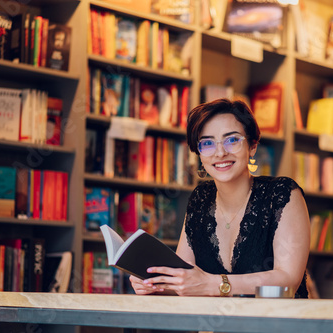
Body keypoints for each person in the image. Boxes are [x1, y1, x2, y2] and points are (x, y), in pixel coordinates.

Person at [130, 98, 310, 297]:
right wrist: (156, 284)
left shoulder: (283, 194)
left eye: (232, 140)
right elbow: (186, 282)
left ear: (252, 146)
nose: (220, 152)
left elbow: (288, 283)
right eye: (207, 143)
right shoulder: (200, 200)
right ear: (199, 153)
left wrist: (215, 284)